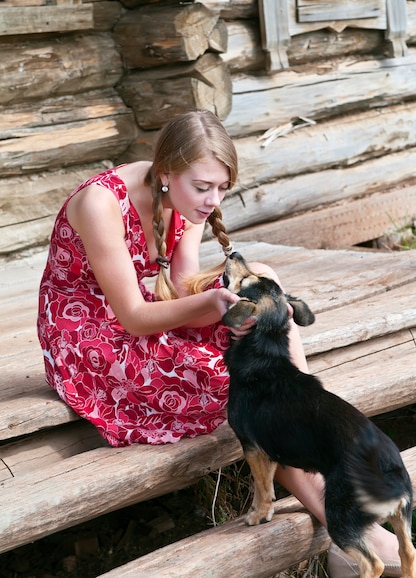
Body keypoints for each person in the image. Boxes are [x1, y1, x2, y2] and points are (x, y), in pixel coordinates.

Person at [37, 109, 403, 576]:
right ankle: (342, 523)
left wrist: (241, 303)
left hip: (144, 312)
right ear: (167, 172)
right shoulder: (100, 203)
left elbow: (184, 280)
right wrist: (215, 305)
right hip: (89, 334)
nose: (213, 200)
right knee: (233, 385)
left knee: (264, 286)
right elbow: (131, 317)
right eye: (203, 186)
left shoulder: (185, 198)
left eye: (223, 187)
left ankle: (305, 405)